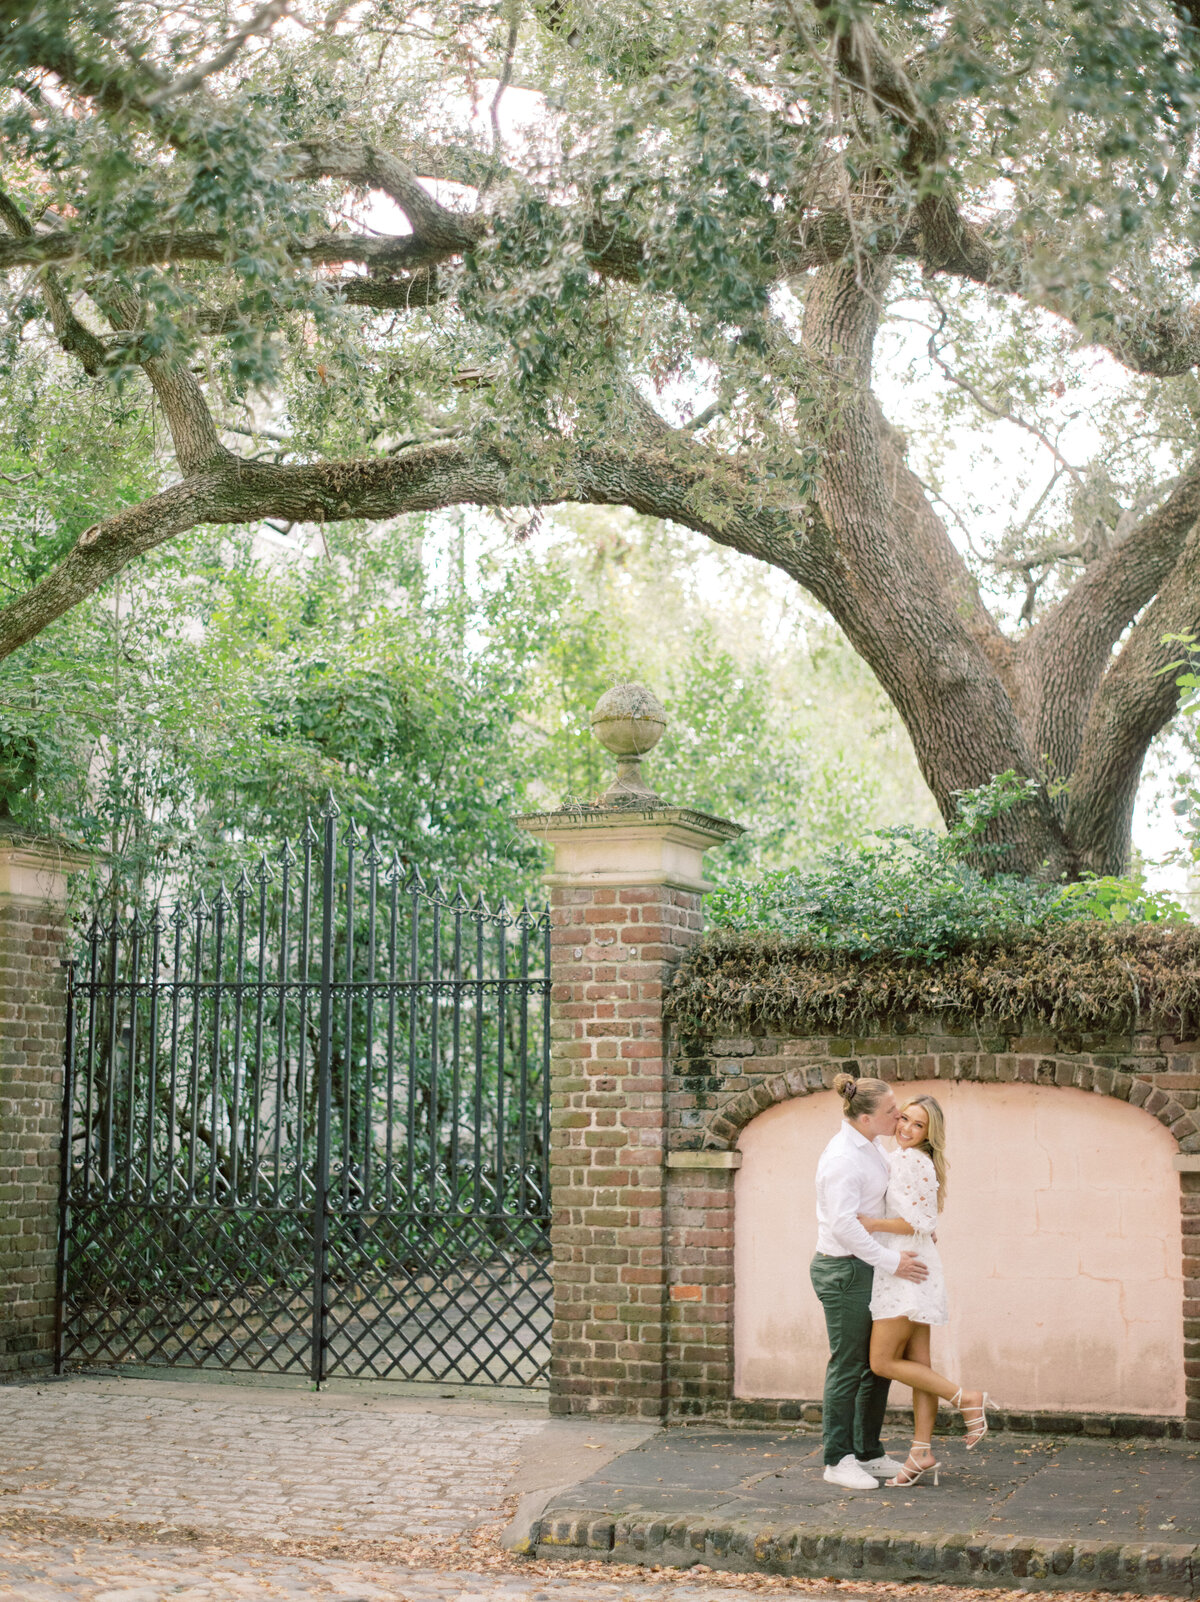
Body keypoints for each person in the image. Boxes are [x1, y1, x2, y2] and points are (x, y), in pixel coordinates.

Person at [857, 1093, 990, 1487]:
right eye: (905, 1120)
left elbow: (920, 1220)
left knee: (881, 1362)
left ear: (930, 1135)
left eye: (918, 1126)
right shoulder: (906, 1159)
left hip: (905, 1267)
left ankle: (966, 1398)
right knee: (918, 1367)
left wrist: (871, 1224)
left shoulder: (910, 1161)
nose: (907, 1129)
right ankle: (920, 1452)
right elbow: (927, 1225)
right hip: (914, 1263)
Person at [810, 1073, 930, 1490]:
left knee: (877, 1365)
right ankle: (836, 1459)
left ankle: (868, 1452)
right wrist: (891, 1260)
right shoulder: (844, 1158)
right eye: (890, 1110)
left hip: (871, 1266)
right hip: (845, 1270)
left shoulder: (873, 1145)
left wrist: (917, 1230)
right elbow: (844, 1225)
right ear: (864, 1118)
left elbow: (883, 1204)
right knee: (849, 1366)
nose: (899, 1114)